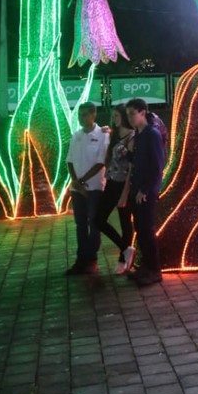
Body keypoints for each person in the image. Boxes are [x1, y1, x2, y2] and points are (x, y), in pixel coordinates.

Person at [126, 98, 166, 285]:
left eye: (133, 113)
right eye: (128, 114)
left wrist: (146, 189)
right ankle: (146, 267)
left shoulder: (152, 134)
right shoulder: (139, 135)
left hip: (145, 192)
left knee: (147, 231)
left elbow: (157, 166)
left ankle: (154, 270)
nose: (130, 118)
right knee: (140, 231)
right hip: (137, 190)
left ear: (143, 113)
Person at [66, 102, 109, 274]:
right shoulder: (76, 135)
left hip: (94, 188)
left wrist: (82, 180)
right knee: (80, 224)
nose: (82, 118)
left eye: (85, 114)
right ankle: (81, 259)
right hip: (77, 188)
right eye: (80, 115)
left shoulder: (103, 135)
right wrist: (76, 181)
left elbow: (101, 162)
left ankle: (91, 259)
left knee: (94, 223)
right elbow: (69, 160)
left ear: (93, 115)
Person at [97, 104, 135, 274]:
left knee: (125, 221)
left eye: (118, 116)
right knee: (98, 219)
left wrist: (125, 192)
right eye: (113, 116)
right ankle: (126, 249)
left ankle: (123, 259)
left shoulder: (132, 137)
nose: (115, 119)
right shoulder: (113, 135)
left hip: (123, 184)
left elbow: (132, 168)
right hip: (111, 181)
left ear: (125, 117)